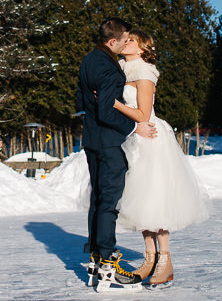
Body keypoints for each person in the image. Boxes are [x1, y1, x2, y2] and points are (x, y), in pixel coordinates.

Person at [113, 29, 211, 287]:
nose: (126, 43)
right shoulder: (121, 68)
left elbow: (143, 114)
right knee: (140, 202)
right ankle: (149, 258)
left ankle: (165, 261)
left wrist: (113, 104)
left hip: (151, 139)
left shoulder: (144, 72)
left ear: (143, 48)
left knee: (156, 200)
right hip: (134, 139)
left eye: (132, 40)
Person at [76, 18, 157, 288]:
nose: (126, 43)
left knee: (98, 198)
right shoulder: (110, 69)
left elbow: (82, 101)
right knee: (109, 201)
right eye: (124, 39)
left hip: (91, 139)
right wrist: (134, 128)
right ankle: (108, 261)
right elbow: (106, 111)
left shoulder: (89, 60)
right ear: (113, 41)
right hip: (109, 141)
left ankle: (96, 257)